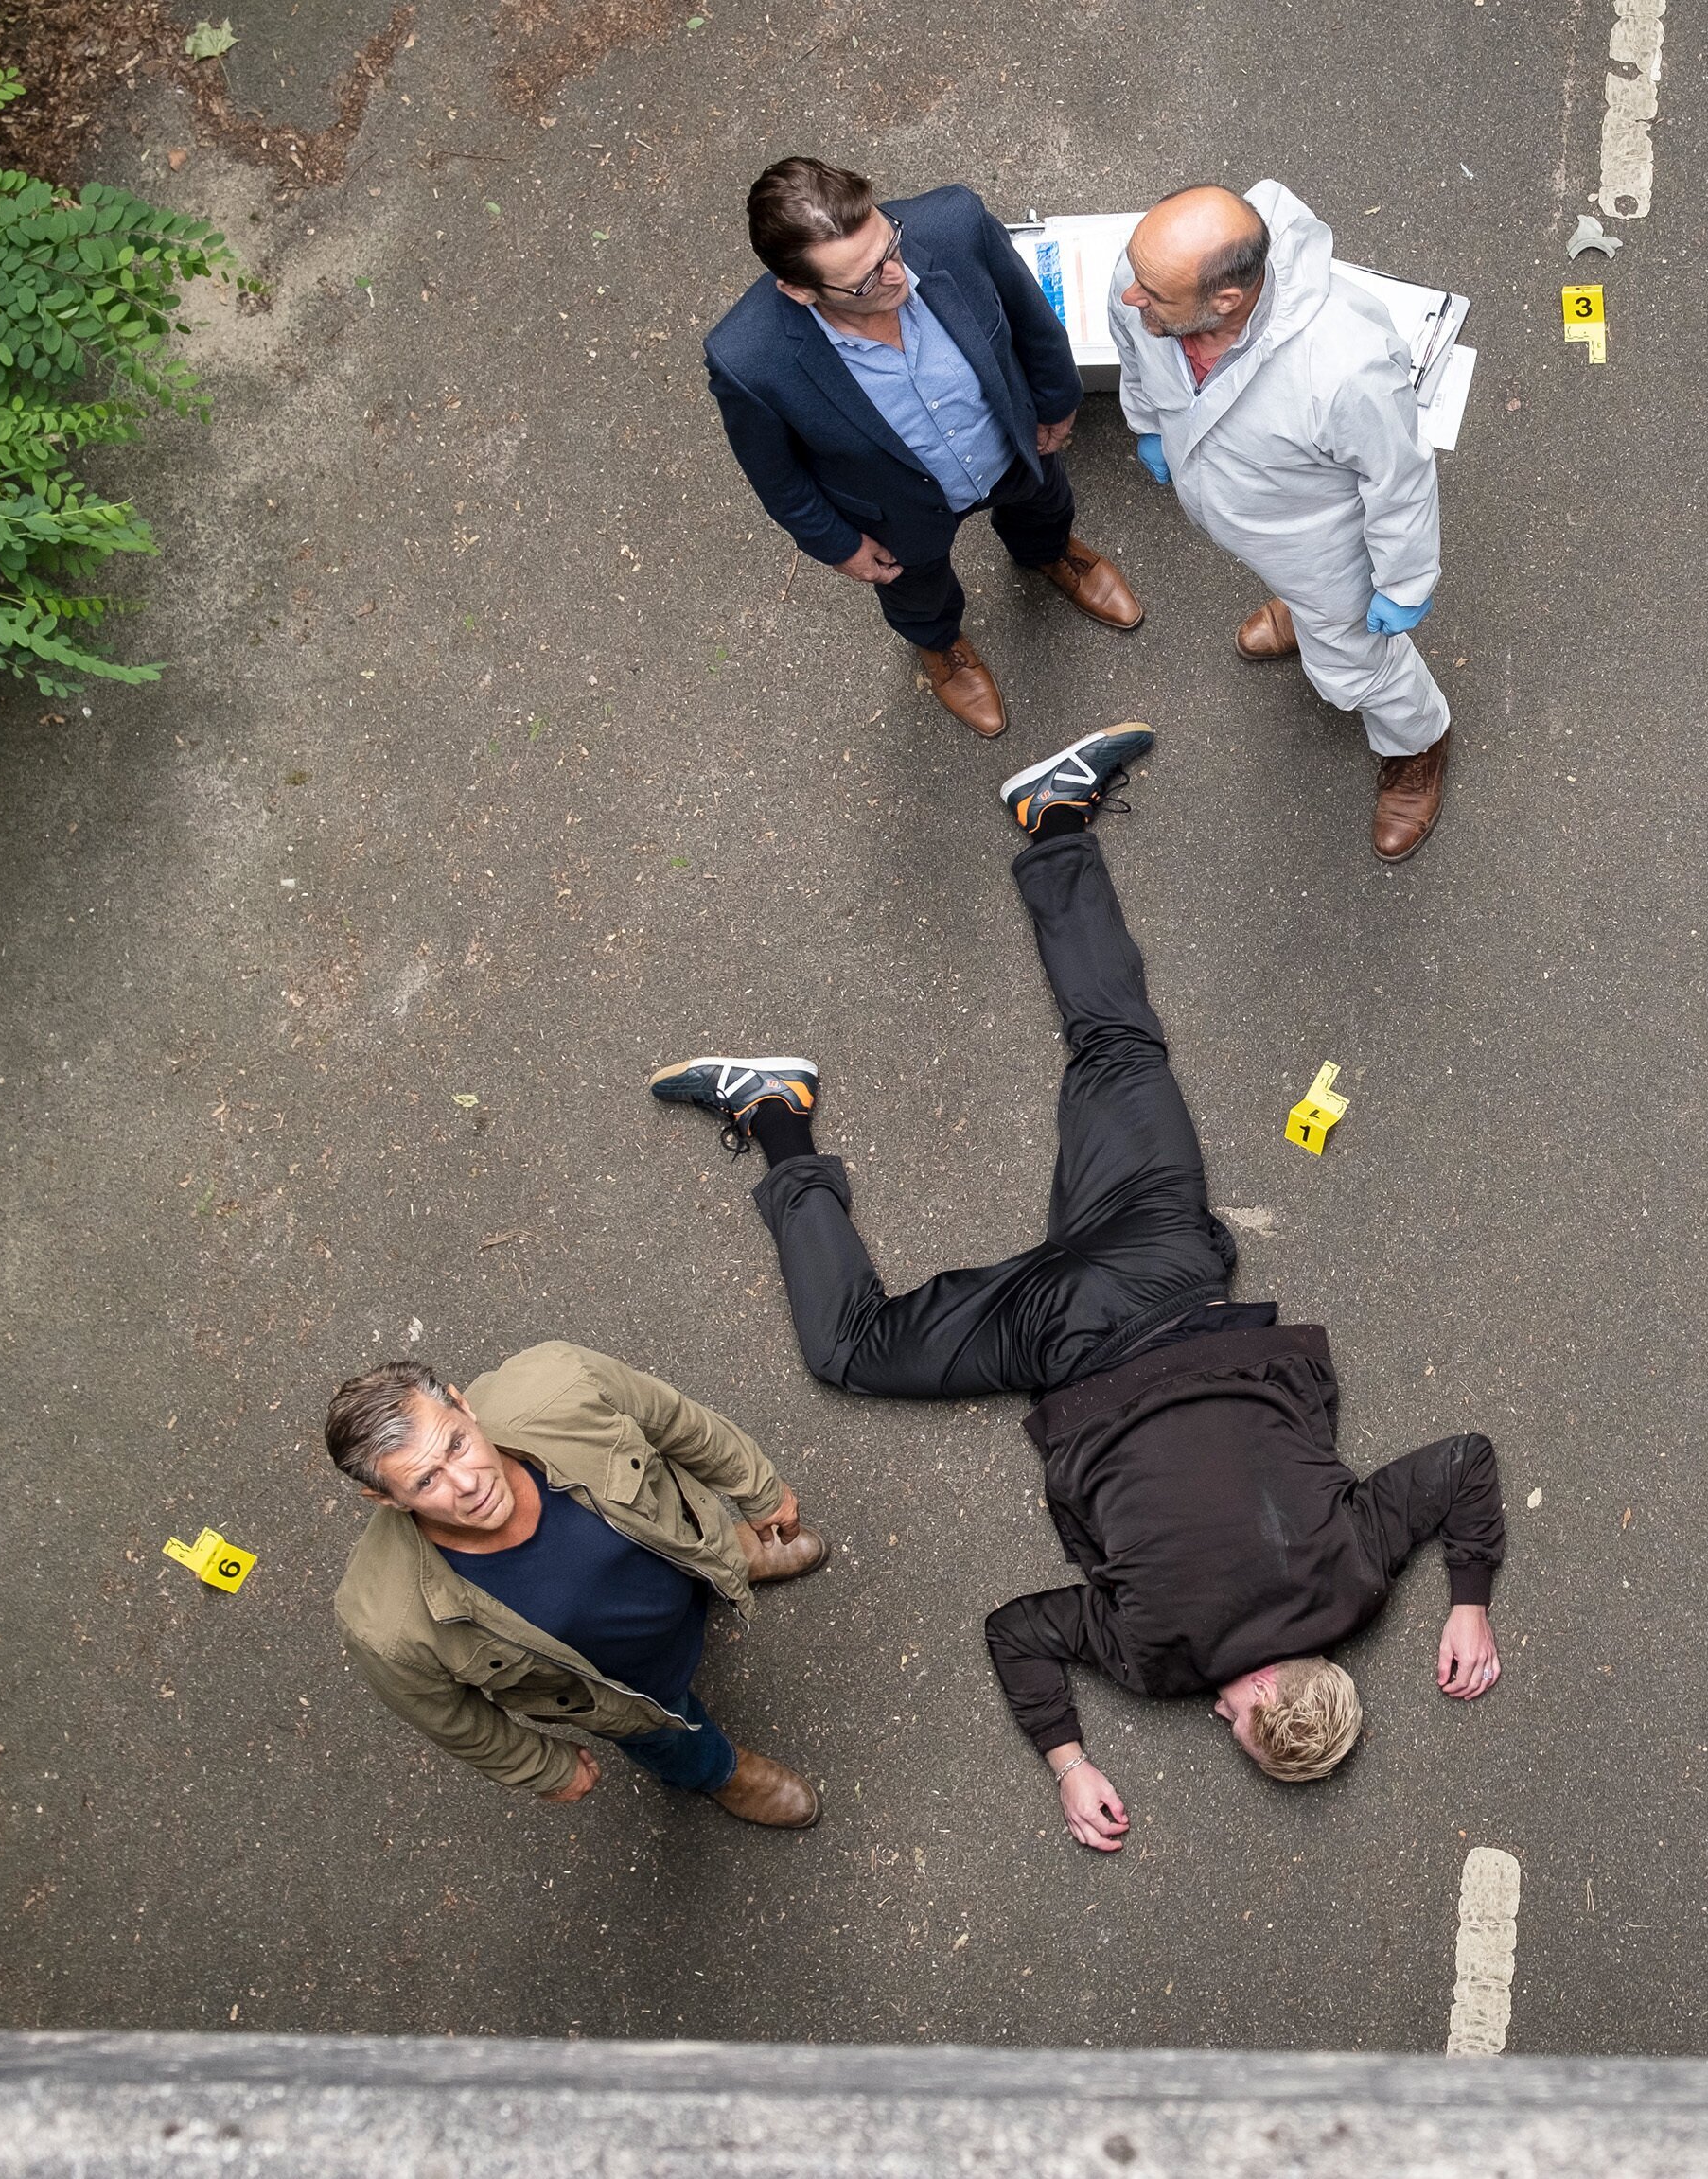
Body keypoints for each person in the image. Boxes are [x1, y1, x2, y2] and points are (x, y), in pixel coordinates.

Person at [644, 728, 1506, 1850]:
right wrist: (1068, 1757)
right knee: (850, 1347)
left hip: (1172, 1273)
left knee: (1120, 1050)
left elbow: (1464, 1461)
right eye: (1239, 1724)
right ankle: (774, 1116)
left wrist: (1468, 1599)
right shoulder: (1160, 1658)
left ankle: (1052, 817)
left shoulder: (1356, 1581)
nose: (1220, 1714)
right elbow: (1017, 1631)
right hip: (1058, 1343)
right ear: (1258, 1698)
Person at [706, 155, 1145, 738]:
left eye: (889, 244)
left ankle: (1050, 552)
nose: (896, 274)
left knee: (1045, 506)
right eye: (865, 280)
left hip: (1013, 448)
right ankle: (940, 643)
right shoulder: (747, 360)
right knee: (917, 591)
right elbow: (776, 475)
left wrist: (1056, 400)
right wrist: (838, 544)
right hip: (894, 511)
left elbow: (1030, 319)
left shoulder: (955, 223)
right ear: (799, 290)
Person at [327, 1345, 832, 1827]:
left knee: (704, 1546)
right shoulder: (384, 1627)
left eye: (457, 1445)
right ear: (386, 1499)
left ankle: (728, 1558)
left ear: (463, 1406)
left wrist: (758, 1489)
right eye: (425, 1481)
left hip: (680, 1556)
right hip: (633, 1694)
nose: (468, 1483)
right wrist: (542, 1769)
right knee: (667, 1739)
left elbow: (676, 1421)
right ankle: (721, 1772)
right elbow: (450, 1718)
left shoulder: (562, 1381)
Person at [1111, 183, 1457, 861]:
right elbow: (1131, 346)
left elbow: (1399, 478)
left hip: (1322, 545)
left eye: (1151, 294)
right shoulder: (1151, 277)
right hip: (1247, 520)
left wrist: (1405, 581)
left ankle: (1417, 742)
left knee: (1358, 665)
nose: (1130, 295)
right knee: (1297, 596)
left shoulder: (1346, 367)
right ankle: (1301, 612)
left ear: (1225, 300)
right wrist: (1148, 422)